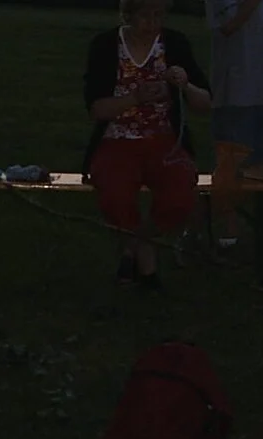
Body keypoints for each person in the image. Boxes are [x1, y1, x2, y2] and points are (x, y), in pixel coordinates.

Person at [82, 0, 211, 289]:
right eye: (145, 16)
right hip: (117, 138)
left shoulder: (175, 44)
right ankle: (148, 269)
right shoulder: (105, 45)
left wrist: (184, 85)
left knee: (180, 195)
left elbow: (205, 102)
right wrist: (135, 98)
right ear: (127, 15)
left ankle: (133, 249)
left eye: (159, 15)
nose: (153, 23)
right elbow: (96, 109)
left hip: (164, 139)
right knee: (114, 195)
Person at [205, 0, 263, 249]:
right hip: (235, 91)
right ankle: (226, 229)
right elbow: (226, 27)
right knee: (231, 164)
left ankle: (256, 228)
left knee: (260, 166)